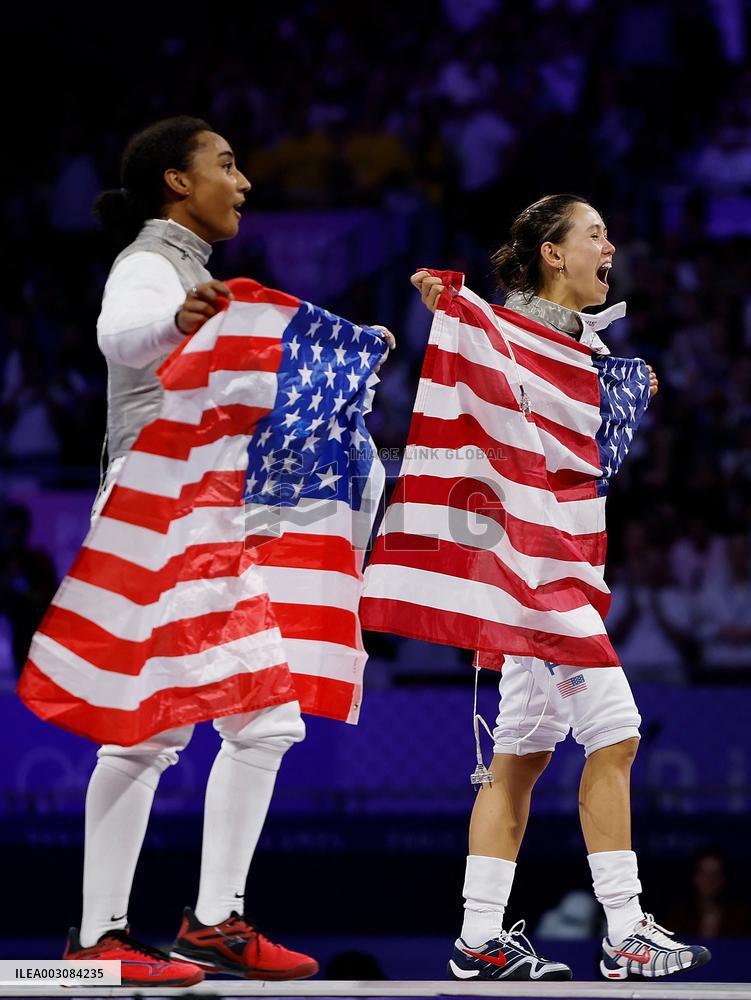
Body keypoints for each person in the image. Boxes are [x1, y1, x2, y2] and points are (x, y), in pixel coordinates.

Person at [410, 194, 711, 983]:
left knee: (518, 758)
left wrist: (620, 385)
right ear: (552, 252)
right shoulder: (506, 331)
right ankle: (625, 930)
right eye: (594, 234)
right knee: (615, 733)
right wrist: (452, 312)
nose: (609, 247)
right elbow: (483, 365)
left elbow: (565, 421)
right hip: (536, 577)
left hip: (564, 565)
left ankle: (477, 939)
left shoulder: (578, 342)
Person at [62, 116, 322, 989]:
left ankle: (213, 925)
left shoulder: (199, 274)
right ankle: (98, 941)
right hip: (155, 510)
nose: (242, 182)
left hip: (204, 513)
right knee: (152, 729)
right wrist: (175, 317)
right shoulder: (151, 262)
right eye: (227, 165)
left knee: (264, 720)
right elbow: (121, 335)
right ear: (178, 181)